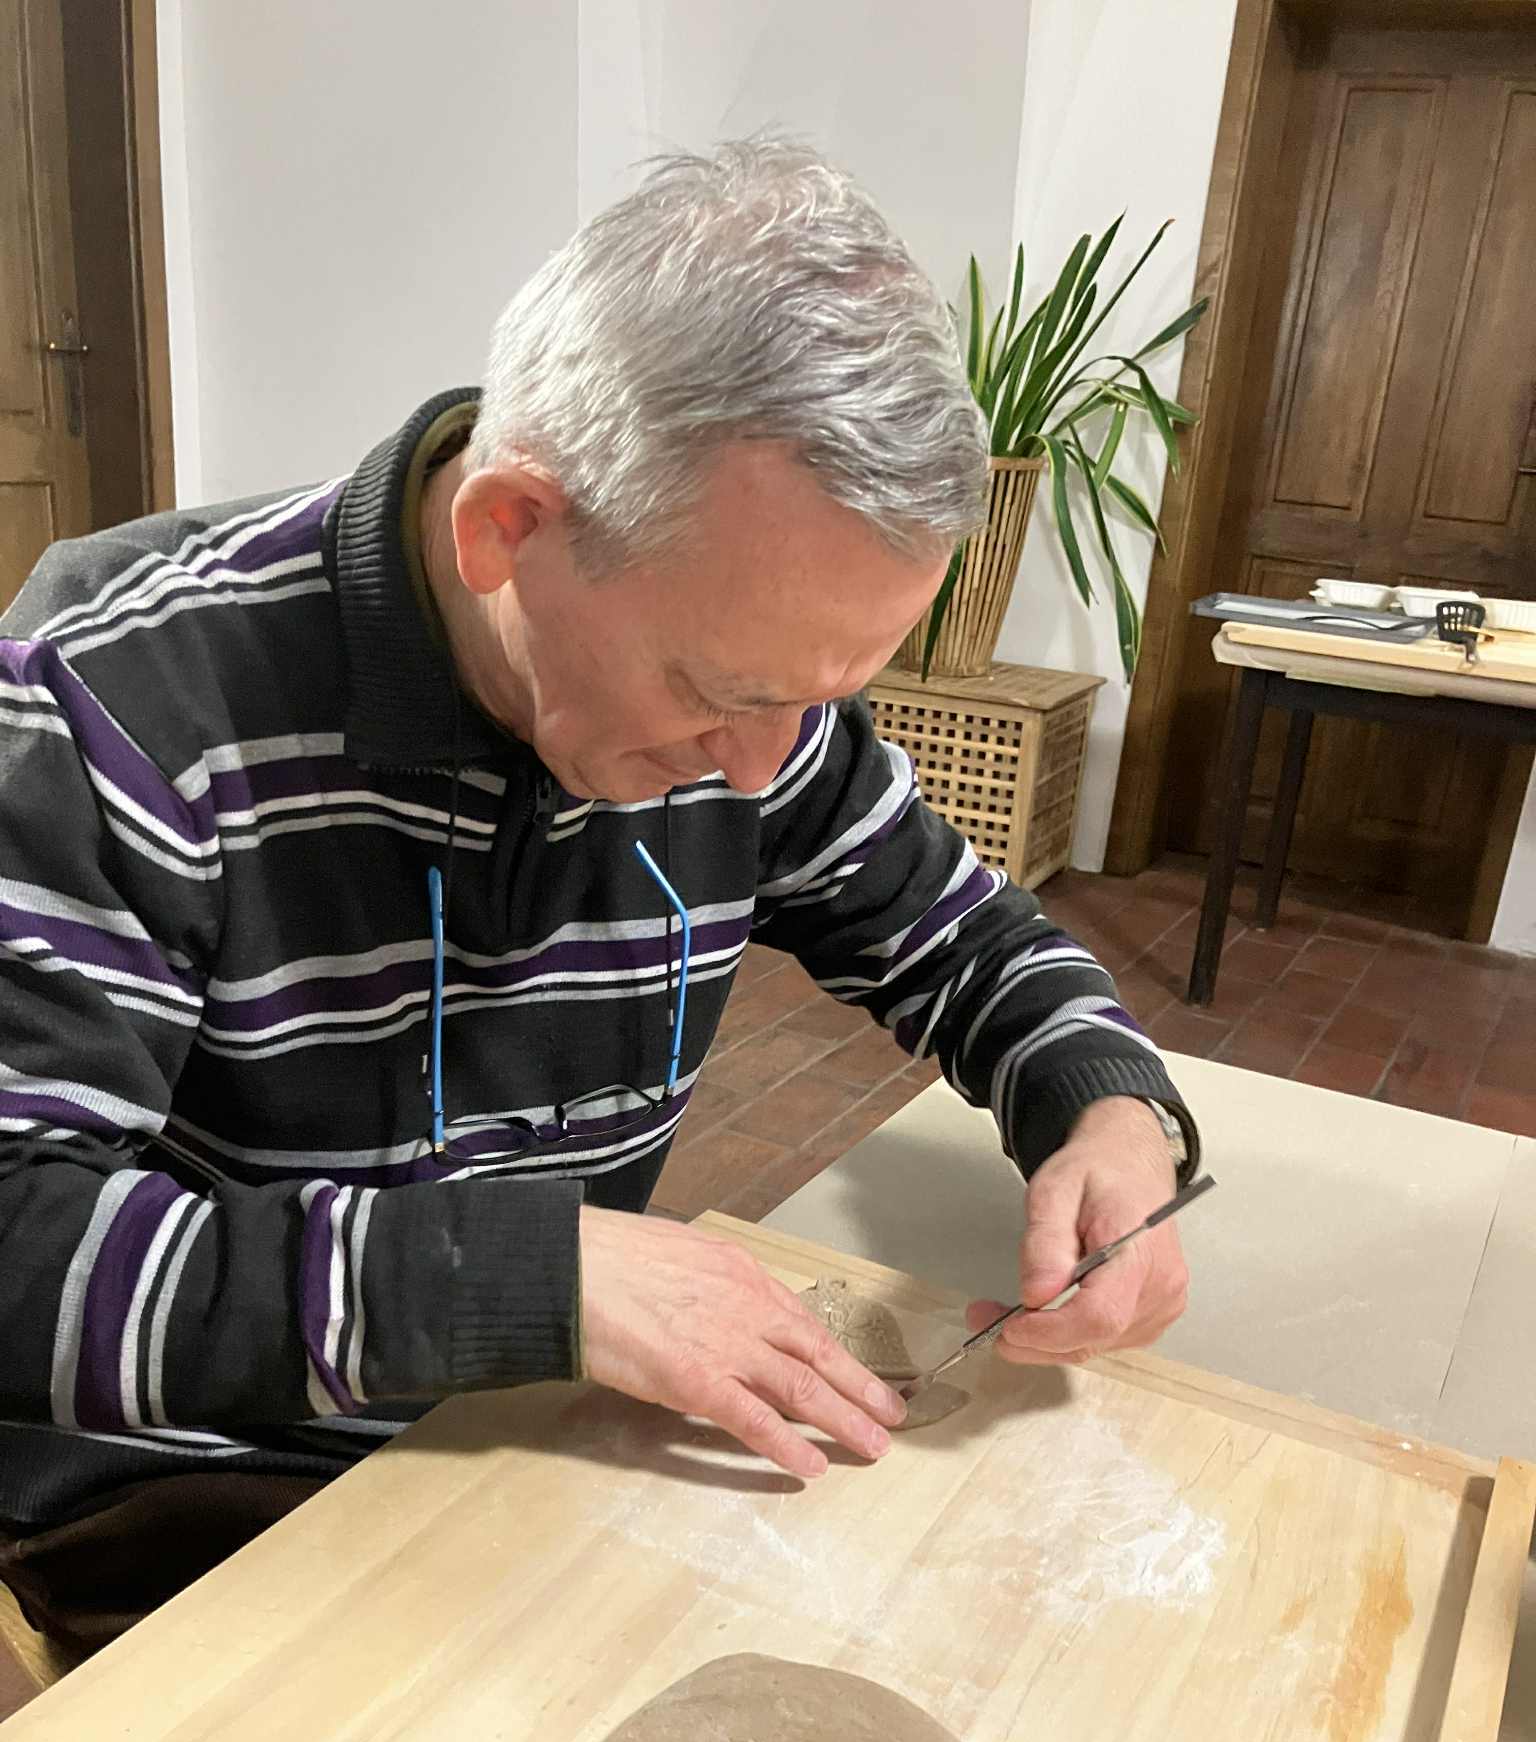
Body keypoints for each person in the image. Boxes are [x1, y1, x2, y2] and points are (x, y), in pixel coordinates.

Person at [0, 140, 1197, 1656]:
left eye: (827, 696)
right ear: (506, 527)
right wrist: (528, 1274)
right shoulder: (113, 694)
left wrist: (1109, 1114)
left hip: (537, 1436)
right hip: (203, 1504)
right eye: (721, 693)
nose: (762, 765)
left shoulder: (766, 702)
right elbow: (17, 1250)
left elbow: (965, 938)